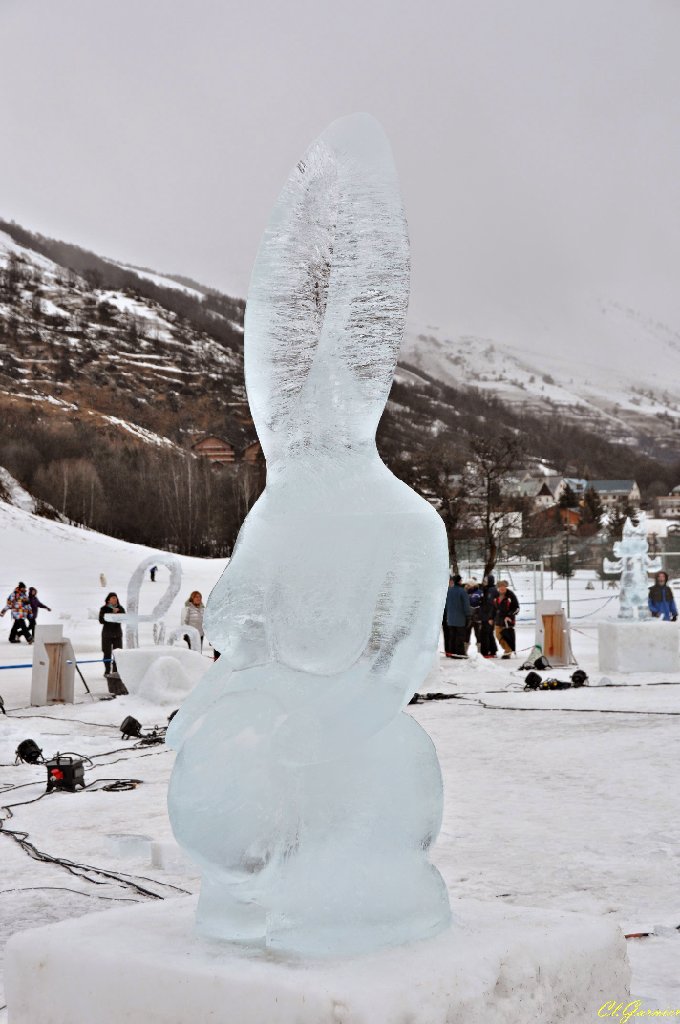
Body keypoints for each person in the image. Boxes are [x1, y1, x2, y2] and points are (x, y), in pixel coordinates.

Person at [445, 574, 471, 658]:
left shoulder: (448, 591)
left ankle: (451, 652)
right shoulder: (462, 591)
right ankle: (459, 653)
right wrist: (468, 615)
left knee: (452, 636)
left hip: (450, 618)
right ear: (459, 581)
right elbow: (466, 605)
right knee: (460, 636)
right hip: (460, 618)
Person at [99, 592, 125, 676]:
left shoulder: (120, 608)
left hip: (117, 634)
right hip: (107, 634)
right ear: (108, 600)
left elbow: (124, 619)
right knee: (107, 653)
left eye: (115, 597)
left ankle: (115, 671)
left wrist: (118, 613)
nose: (115, 599)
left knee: (117, 653)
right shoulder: (104, 608)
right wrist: (111, 613)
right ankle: (107, 671)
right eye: (113, 598)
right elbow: (101, 620)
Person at [493, 580, 520, 659]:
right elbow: (494, 608)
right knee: (498, 635)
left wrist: (509, 615)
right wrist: (491, 617)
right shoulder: (496, 595)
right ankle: (507, 649)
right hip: (498, 620)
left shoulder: (510, 595)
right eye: (500, 587)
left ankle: (508, 651)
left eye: (503, 586)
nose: (502, 588)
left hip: (508, 620)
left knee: (507, 636)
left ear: (506, 587)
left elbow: (517, 608)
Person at [480, 574, 499, 658]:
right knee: (489, 633)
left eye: (485, 581)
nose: (484, 582)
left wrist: (490, 617)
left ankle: (486, 651)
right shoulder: (487, 589)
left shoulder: (491, 590)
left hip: (488, 617)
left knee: (485, 634)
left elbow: (491, 605)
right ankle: (492, 650)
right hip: (486, 616)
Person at [465, 580, 483, 652]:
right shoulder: (465, 592)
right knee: (466, 633)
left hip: (477, 616)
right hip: (468, 617)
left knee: (478, 633)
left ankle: (479, 650)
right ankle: (465, 650)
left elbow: (481, 603)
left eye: (469, 585)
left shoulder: (479, 592)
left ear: (473, 585)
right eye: (467, 585)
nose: (467, 586)